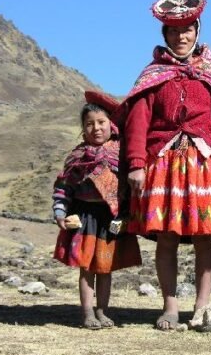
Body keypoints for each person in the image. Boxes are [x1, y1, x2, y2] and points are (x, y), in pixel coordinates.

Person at [120, 0, 211, 331]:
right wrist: (136, 163)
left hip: (206, 163)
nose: (181, 36)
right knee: (166, 236)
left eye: (187, 29)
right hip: (163, 164)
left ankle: (203, 304)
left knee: (203, 236)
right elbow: (138, 121)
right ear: (164, 35)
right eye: (173, 30)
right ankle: (169, 306)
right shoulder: (152, 75)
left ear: (197, 30)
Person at [53, 90, 142, 330]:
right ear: (83, 128)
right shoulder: (76, 157)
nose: (96, 128)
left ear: (111, 125)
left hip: (110, 219)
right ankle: (87, 313)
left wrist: (127, 216)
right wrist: (60, 213)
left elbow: (128, 190)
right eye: (89, 124)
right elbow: (63, 188)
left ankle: (102, 311)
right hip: (83, 218)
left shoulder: (122, 156)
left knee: (105, 268)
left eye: (101, 122)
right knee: (86, 269)